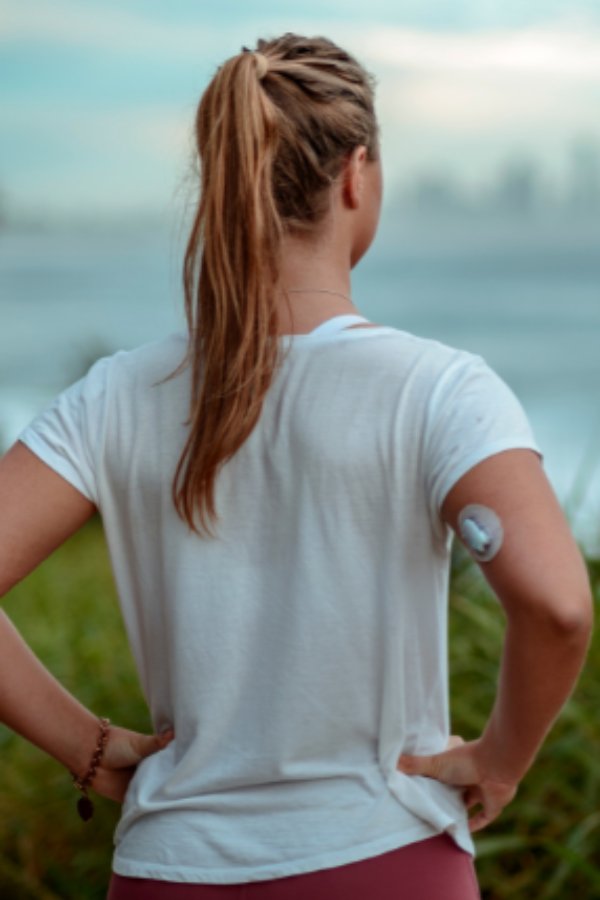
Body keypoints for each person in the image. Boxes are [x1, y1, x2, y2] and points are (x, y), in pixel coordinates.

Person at [0, 32, 593, 900]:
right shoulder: (440, 389)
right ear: (357, 175)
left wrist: (90, 750)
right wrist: (499, 758)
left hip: (173, 869)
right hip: (390, 861)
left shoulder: (117, 395)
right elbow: (558, 605)